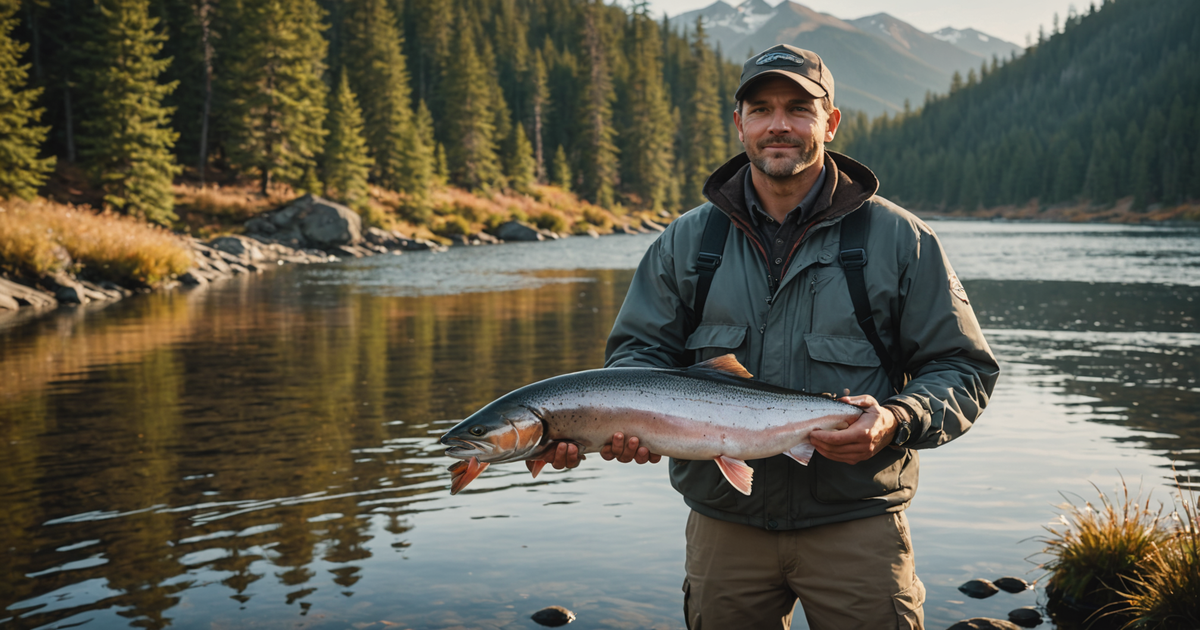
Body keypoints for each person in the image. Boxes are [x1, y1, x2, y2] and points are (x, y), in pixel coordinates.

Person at [543, 44, 999, 629]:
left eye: (798, 109)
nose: (778, 124)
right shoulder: (685, 243)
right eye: (760, 109)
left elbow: (963, 368)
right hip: (724, 527)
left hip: (857, 525)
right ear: (740, 125)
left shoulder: (901, 240)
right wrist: (607, 426)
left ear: (830, 123)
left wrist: (896, 419)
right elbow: (637, 358)